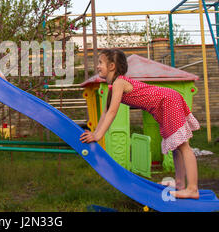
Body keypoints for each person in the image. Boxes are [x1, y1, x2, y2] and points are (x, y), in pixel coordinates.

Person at [79, 48, 200, 199]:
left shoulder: (119, 82)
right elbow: (105, 112)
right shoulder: (113, 86)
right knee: (177, 146)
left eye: (100, 63)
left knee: (183, 146)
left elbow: (112, 112)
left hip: (168, 102)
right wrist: (95, 132)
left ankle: (193, 189)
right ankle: (181, 184)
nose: (97, 66)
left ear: (111, 66)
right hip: (165, 104)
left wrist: (97, 135)